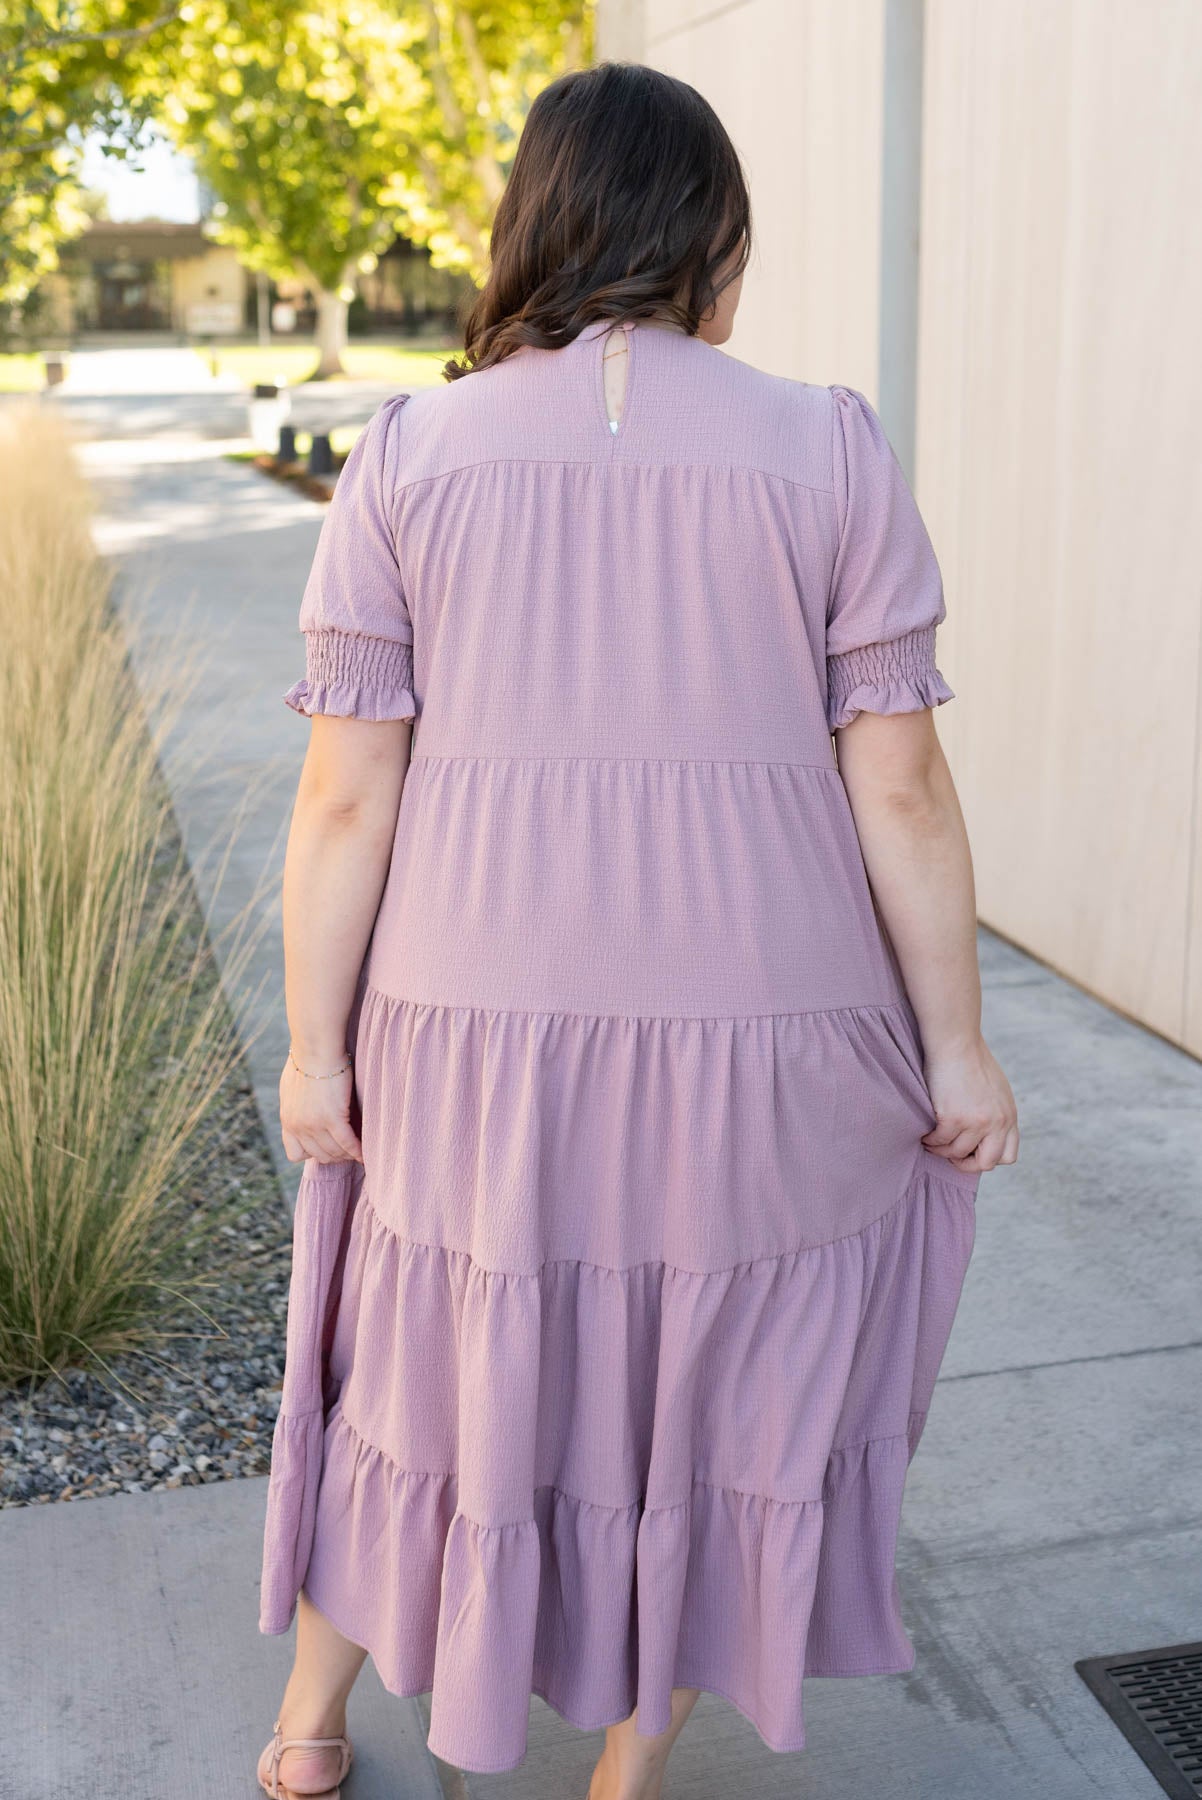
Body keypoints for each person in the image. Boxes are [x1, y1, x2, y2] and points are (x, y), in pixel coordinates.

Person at [255, 58, 1018, 1800]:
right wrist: (959, 1045)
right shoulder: (824, 442)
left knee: (429, 1373)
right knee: (711, 1391)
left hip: (471, 1024)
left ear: (531, 225)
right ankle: (625, 1768)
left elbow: (343, 799)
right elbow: (898, 788)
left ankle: (308, 1730)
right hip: (768, 1025)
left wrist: (316, 1046)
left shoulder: (407, 451)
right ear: (712, 241)